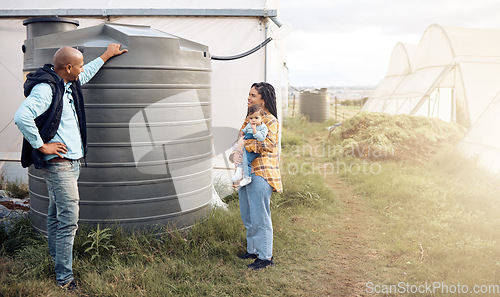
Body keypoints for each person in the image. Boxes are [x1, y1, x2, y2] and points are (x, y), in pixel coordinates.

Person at [14, 44, 127, 291]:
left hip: (71, 162)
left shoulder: (67, 82)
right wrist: (42, 145)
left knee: (56, 212)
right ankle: (64, 278)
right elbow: (22, 116)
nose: (82, 68)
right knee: (68, 220)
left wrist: (107, 55)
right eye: (79, 64)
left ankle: (55, 257)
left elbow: (85, 74)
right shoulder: (47, 89)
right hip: (59, 166)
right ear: (68, 67)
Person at [236, 82, 282, 270]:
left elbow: (269, 145)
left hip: (261, 173)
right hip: (246, 171)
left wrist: (245, 146)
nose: (248, 98)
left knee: (260, 216)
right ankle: (253, 250)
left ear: (263, 99)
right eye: (249, 94)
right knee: (248, 214)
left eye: (253, 95)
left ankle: (265, 257)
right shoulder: (250, 118)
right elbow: (240, 137)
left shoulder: (270, 120)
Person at [231, 104, 269, 187]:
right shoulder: (249, 124)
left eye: (256, 118)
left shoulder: (263, 127)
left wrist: (255, 131)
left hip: (253, 149)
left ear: (262, 118)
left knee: (246, 160)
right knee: (240, 157)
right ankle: (238, 173)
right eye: (251, 118)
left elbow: (262, 138)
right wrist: (243, 132)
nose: (253, 120)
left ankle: (247, 177)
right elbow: (246, 129)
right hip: (246, 145)